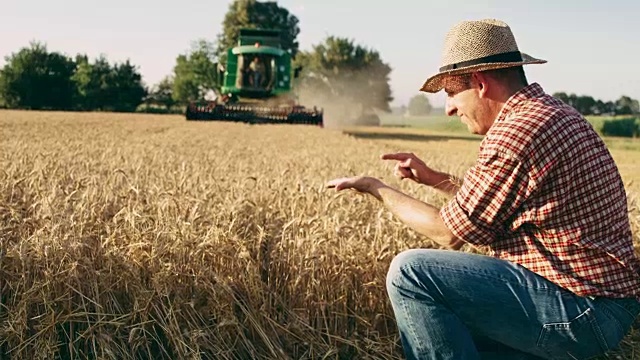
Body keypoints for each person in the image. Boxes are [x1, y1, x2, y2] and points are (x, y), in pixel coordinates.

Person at [326, 18, 640, 360]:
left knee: (411, 274)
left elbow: (449, 233)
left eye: (450, 93)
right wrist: (434, 178)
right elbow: (497, 204)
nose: (449, 108)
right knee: (457, 332)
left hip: (581, 312)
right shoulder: (551, 114)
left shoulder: (517, 133)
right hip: (600, 306)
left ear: (480, 83)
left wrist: (375, 187)